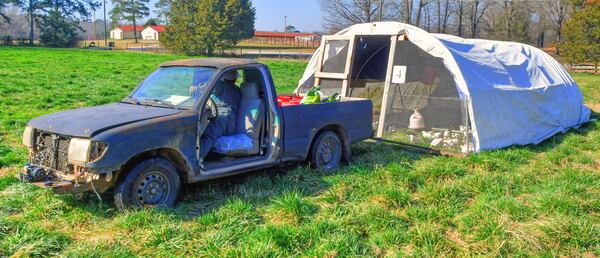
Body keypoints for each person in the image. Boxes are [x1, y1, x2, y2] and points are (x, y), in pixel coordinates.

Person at [199, 70, 241, 159]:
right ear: (235, 78)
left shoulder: (221, 86)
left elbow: (209, 87)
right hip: (228, 120)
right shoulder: (238, 90)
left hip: (224, 119)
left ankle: (198, 159)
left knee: (209, 135)